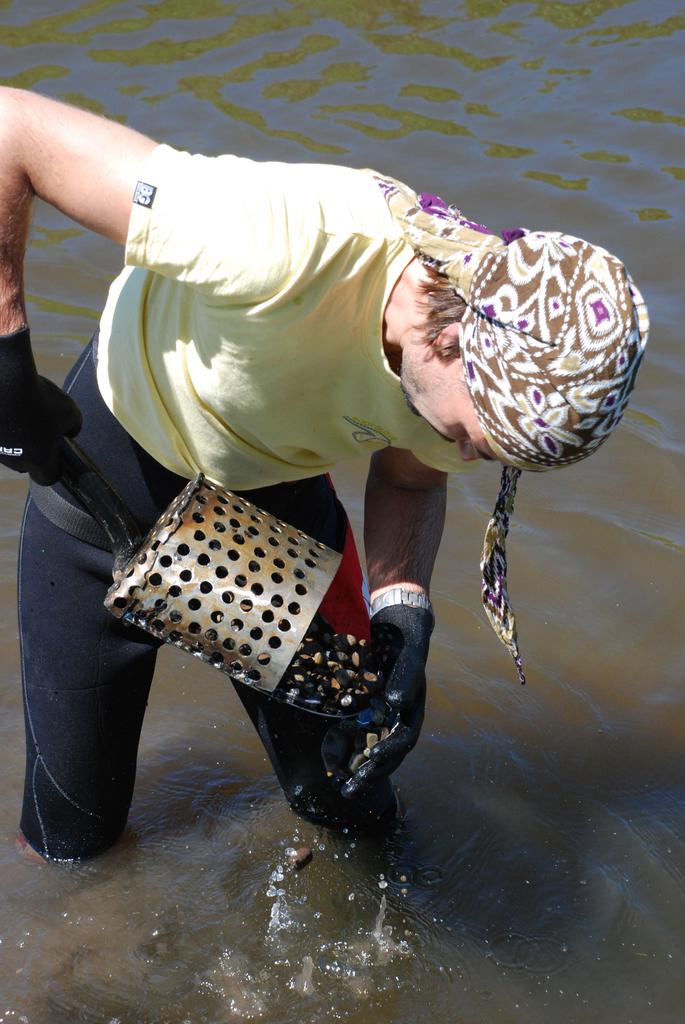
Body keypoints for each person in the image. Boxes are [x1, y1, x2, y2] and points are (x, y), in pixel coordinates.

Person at [0, 88, 648, 861]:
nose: (469, 457)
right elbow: (13, 131)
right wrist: (6, 366)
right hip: (102, 484)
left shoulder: (473, 363)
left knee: (351, 801)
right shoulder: (278, 236)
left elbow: (409, 478)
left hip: (270, 515)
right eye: (474, 440)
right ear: (448, 339)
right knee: (75, 844)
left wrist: (404, 610)